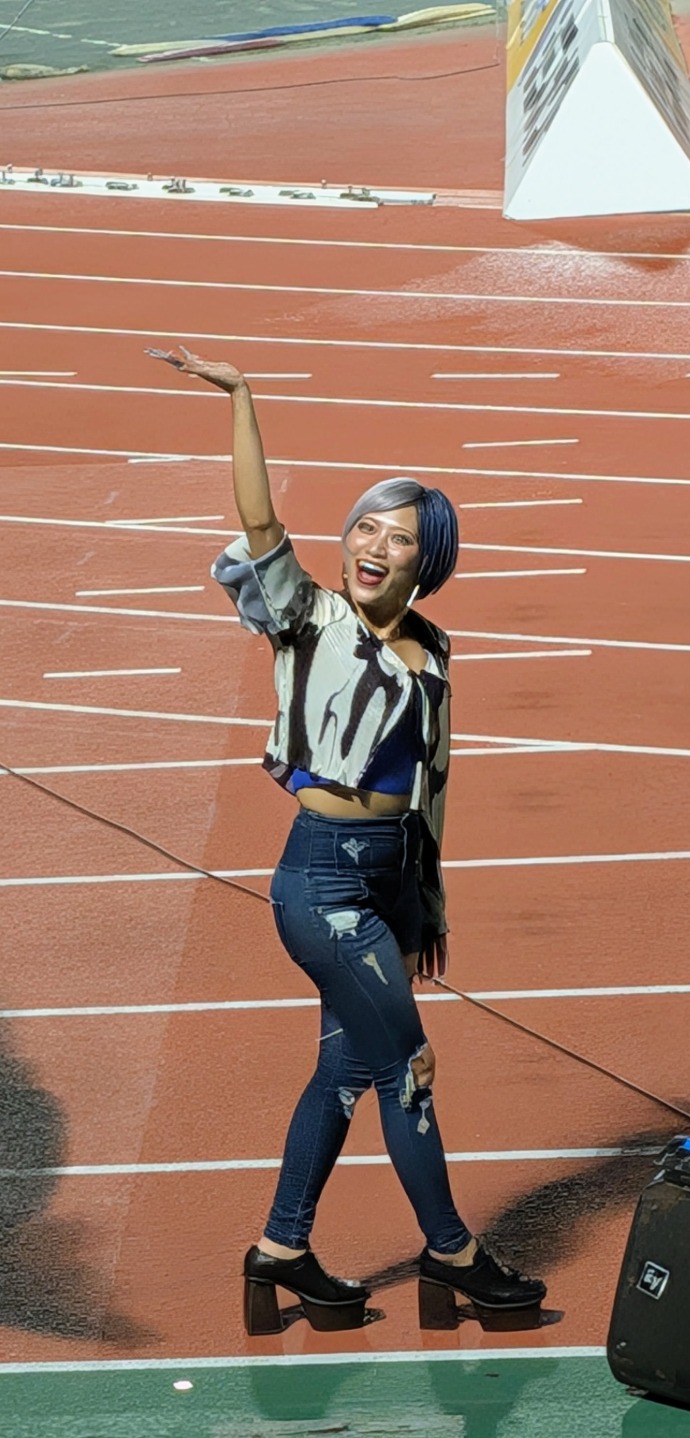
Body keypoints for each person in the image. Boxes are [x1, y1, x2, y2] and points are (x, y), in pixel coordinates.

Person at [147, 346, 547, 1335]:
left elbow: (433, 783)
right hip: (321, 882)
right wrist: (242, 398)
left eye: (398, 537)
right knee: (407, 1068)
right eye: (364, 526)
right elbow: (260, 524)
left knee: (344, 1072)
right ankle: (452, 1256)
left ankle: (281, 1252)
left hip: (391, 879)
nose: (373, 545)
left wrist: (427, 905)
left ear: (426, 562)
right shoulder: (310, 618)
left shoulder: (434, 648)